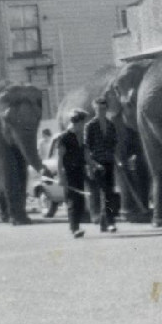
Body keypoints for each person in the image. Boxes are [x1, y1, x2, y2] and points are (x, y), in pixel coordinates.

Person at [83, 98, 121, 232]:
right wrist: (90, 164)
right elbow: (86, 147)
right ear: (95, 109)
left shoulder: (111, 125)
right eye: (99, 109)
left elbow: (114, 144)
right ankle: (110, 222)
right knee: (105, 192)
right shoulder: (90, 126)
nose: (101, 111)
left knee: (109, 192)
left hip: (109, 162)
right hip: (96, 163)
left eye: (104, 109)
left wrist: (117, 160)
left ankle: (104, 223)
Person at [52, 108, 89, 237]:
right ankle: (74, 229)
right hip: (69, 173)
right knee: (72, 200)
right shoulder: (64, 137)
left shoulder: (80, 136)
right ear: (77, 122)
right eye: (83, 123)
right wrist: (61, 176)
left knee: (79, 200)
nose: (84, 126)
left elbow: (84, 154)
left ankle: (76, 226)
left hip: (79, 171)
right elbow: (60, 159)